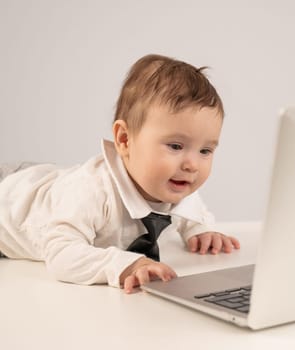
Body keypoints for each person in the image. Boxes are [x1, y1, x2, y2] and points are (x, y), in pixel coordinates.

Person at [0, 54, 240, 293]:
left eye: (205, 150)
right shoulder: (92, 191)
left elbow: (189, 211)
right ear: (124, 139)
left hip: (48, 180)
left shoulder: (176, 184)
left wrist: (200, 231)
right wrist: (125, 264)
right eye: (175, 146)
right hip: (10, 197)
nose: (192, 165)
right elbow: (61, 253)